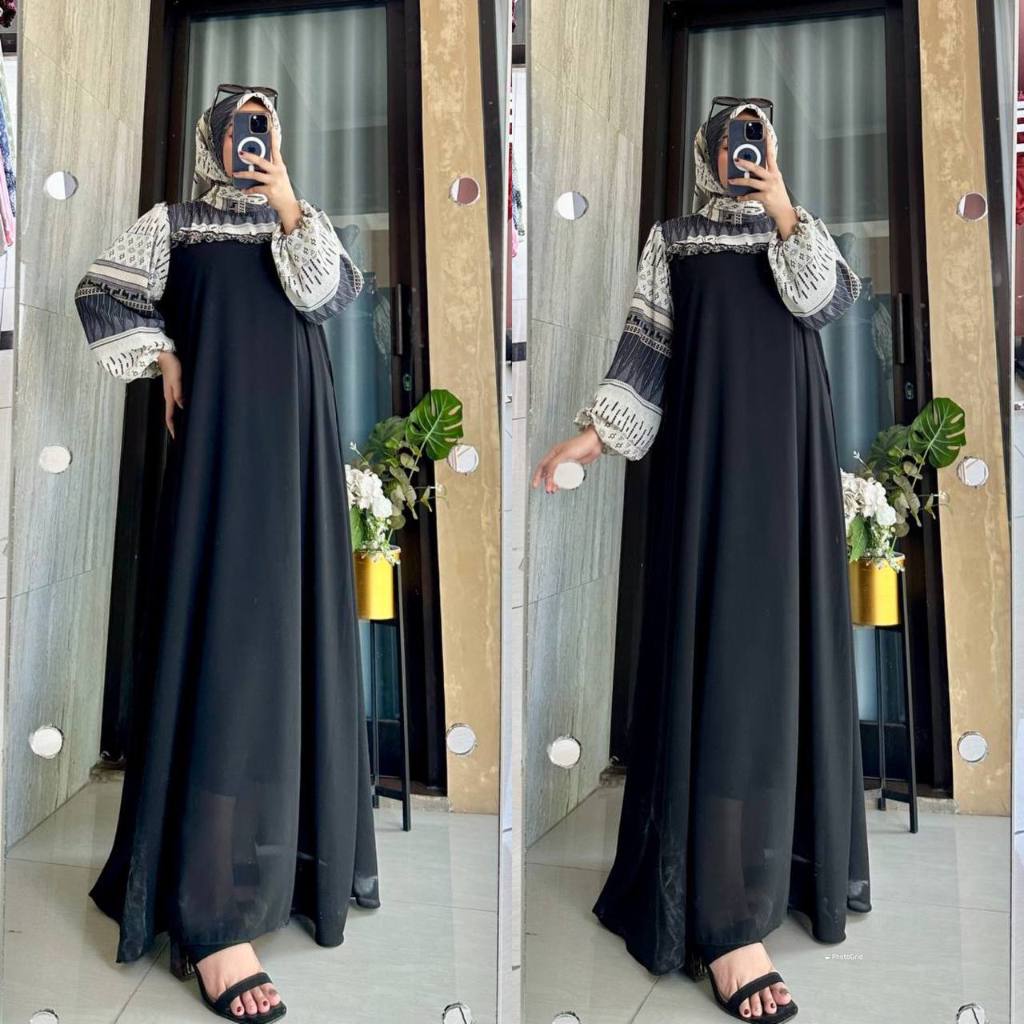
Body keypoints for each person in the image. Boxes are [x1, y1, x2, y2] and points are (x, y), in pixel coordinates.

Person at [532, 99, 871, 1021]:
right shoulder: (675, 241)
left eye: (758, 140)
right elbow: (646, 352)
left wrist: (785, 207)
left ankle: (782, 867)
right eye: (732, 141)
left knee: (780, 669)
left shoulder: (798, 231)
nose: (744, 155)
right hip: (710, 480)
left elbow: (827, 302)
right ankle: (726, 921)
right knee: (722, 672)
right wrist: (590, 438)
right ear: (706, 152)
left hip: (790, 482)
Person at [74, 85, 380, 1022]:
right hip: (217, 464)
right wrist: (165, 354)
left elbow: (332, 295)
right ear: (211, 135)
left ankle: (287, 865)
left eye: (264, 126)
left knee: (285, 655)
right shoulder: (172, 224)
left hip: (296, 461)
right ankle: (213, 915)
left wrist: (286, 199)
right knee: (223, 658)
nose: (251, 140)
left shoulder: (300, 220)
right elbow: (98, 292)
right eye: (239, 127)